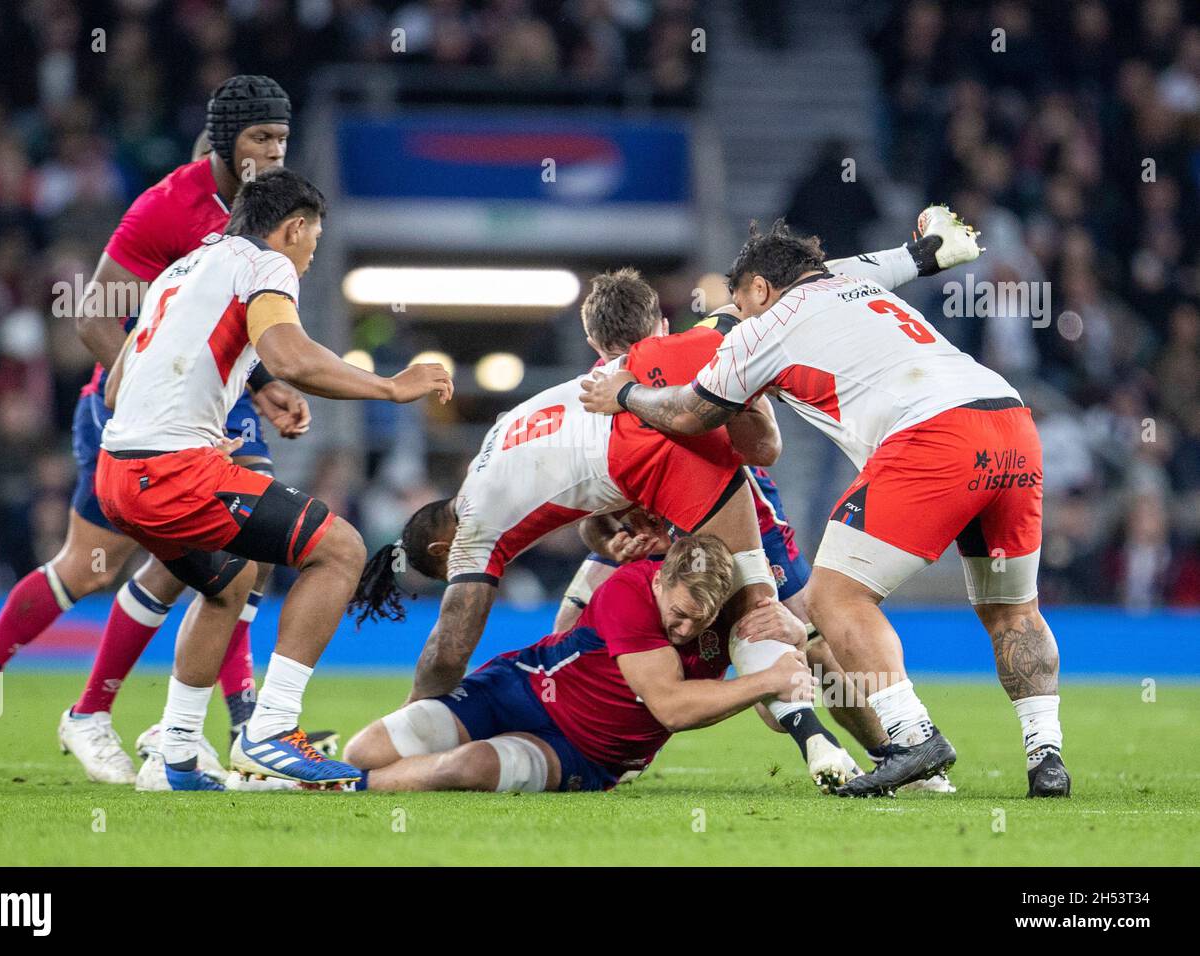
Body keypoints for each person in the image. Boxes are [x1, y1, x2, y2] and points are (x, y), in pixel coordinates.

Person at [580, 209, 1070, 798]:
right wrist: (925, 253)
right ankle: (1047, 758)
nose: (738, 314)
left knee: (840, 596)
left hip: (933, 435)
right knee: (1014, 609)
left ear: (759, 288)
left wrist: (627, 393)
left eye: (741, 301)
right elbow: (886, 263)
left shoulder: (763, 328)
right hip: (1009, 420)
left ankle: (914, 738)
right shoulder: (851, 283)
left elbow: (690, 413)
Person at [0, 76, 309, 782]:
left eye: (282, 139)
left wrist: (263, 387)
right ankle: (5, 687)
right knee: (90, 567)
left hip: (214, 408)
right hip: (133, 412)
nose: (275, 154)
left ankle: (234, 720)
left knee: (241, 538)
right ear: (221, 147)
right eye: (261, 138)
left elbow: (226, 322)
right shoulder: (167, 205)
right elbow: (94, 317)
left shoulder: (271, 213)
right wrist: (149, 397)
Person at [96, 167, 452, 790]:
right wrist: (391, 387)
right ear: (293, 229)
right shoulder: (267, 265)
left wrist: (197, 426)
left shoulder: (180, 272)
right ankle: (270, 730)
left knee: (227, 584)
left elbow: (120, 385)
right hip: (169, 469)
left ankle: (174, 754)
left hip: (119, 471)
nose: (311, 257)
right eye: (313, 241)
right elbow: (288, 355)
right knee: (339, 547)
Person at [338, 536, 815, 793]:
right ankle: (338, 774)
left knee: (469, 766)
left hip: (587, 753)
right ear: (660, 582)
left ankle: (341, 788)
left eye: (701, 620)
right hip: (523, 686)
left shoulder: (733, 612)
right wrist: (765, 680)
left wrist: (789, 646)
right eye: (679, 615)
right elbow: (671, 707)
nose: (687, 631)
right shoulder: (630, 589)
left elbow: (772, 716)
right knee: (366, 748)